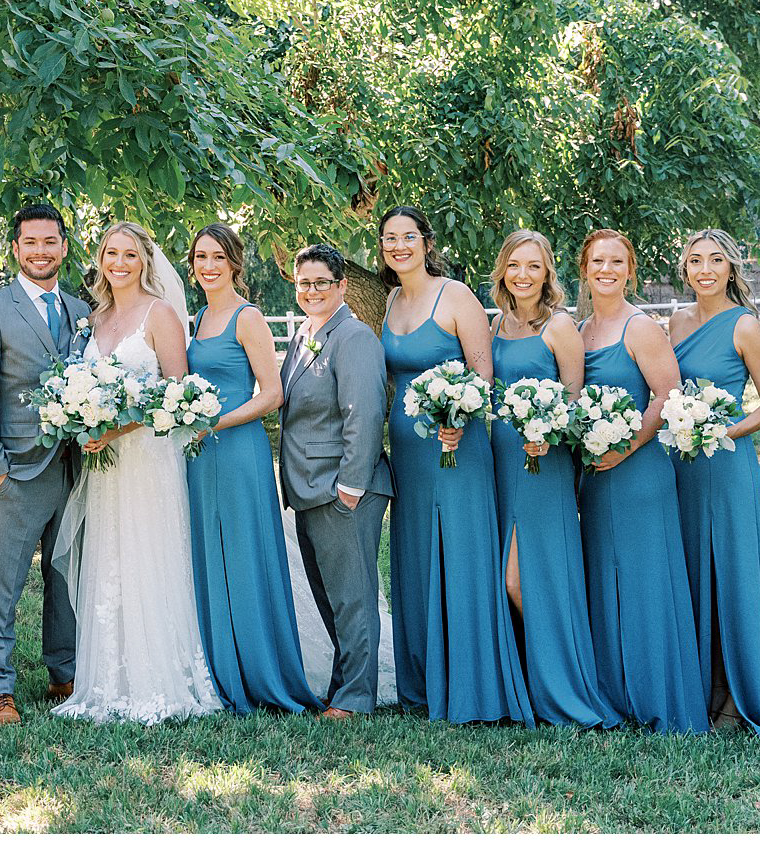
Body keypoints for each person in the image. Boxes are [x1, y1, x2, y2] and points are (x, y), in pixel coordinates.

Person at [51, 221, 222, 724]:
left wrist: (117, 429)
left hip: (147, 458)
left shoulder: (160, 312)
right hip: (103, 464)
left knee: (149, 555)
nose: (119, 263)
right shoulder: (95, 316)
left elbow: (177, 390)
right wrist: (81, 418)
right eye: (110, 253)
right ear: (99, 259)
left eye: (129, 254)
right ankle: (108, 680)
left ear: (145, 261)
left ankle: (159, 680)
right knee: (110, 558)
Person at [378, 206, 530, 724]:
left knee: (462, 556)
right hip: (409, 452)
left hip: (455, 446)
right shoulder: (392, 301)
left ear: (426, 242)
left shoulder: (456, 295)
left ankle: (474, 684)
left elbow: (483, 375)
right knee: (418, 558)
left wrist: (459, 418)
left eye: (408, 237)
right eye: (389, 239)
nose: (399, 246)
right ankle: (422, 685)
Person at [0, 203, 94, 724]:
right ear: (15, 249)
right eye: (30, 243)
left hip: (77, 468)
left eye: (50, 242)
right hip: (15, 470)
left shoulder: (84, 312)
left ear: (64, 246)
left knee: (67, 576)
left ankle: (65, 671)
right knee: (3, 581)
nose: (41, 251)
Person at [576, 228, 708, 734]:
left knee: (644, 581)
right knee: (603, 581)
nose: (606, 270)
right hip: (594, 473)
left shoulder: (642, 327)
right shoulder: (581, 328)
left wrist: (622, 447)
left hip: (638, 471)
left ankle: (660, 699)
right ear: (585, 270)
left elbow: (666, 394)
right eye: (597, 262)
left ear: (630, 270)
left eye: (616, 262)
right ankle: (613, 695)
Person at [666, 228, 760, 733]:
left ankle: (734, 696)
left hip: (724, 464)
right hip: (680, 465)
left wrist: (721, 430)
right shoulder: (675, 322)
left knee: (728, 574)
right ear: (685, 269)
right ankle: (697, 688)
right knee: (693, 572)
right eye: (695, 260)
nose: (705, 269)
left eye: (715, 260)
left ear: (730, 268)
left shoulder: (744, 326)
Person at [184, 223, 318, 714]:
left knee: (243, 556)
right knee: (210, 555)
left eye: (218, 257)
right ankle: (220, 665)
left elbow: (272, 393)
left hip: (239, 453)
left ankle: (261, 670)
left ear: (234, 262)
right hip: (200, 456)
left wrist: (216, 421)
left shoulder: (248, 317)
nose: (209, 266)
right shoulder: (197, 318)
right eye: (201, 257)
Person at [487, 229, 618, 729]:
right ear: (503, 270)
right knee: (505, 577)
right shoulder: (495, 325)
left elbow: (573, 398)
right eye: (515, 265)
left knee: (523, 579)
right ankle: (522, 686)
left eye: (534, 266)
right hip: (500, 461)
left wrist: (547, 429)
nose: (523, 275)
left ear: (548, 274)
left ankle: (560, 687)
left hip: (543, 462)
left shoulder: (559, 327)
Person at [277, 244, 393, 721]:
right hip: (308, 488)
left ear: (343, 286)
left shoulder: (355, 337)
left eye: (322, 282)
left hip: (342, 489)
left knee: (353, 595)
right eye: (304, 283)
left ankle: (357, 697)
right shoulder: (306, 333)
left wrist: (351, 486)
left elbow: (364, 413)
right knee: (330, 595)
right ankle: (343, 686)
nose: (312, 291)